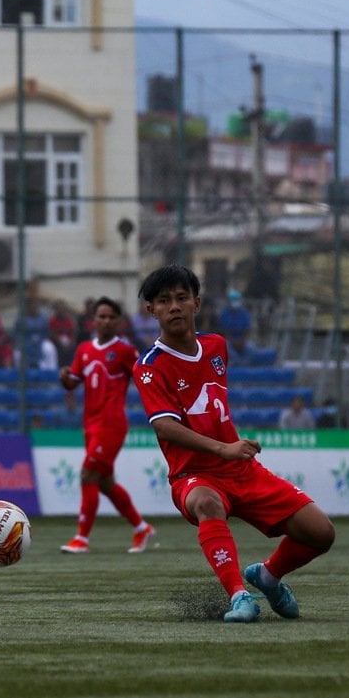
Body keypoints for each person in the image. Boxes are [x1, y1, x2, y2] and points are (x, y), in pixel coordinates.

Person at [134, 265, 335, 623]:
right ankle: (240, 597)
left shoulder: (216, 345)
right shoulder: (150, 366)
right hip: (193, 475)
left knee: (321, 533)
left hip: (242, 470)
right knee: (207, 502)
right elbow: (165, 427)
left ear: (197, 302)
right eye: (163, 301)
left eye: (182, 298)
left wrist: (231, 449)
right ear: (151, 310)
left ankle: (268, 577)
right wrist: (222, 448)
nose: (174, 307)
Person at [58, 296, 156, 555]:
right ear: (93, 320)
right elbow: (73, 383)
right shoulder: (84, 350)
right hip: (90, 424)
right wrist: (65, 378)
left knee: (87, 474)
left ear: (119, 322)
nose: (106, 320)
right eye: (101, 316)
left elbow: (144, 377)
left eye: (111, 317)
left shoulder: (124, 351)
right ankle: (141, 527)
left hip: (111, 424)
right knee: (105, 483)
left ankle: (82, 538)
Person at [217, 289, 254, 364]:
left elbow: (247, 329)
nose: (235, 302)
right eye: (233, 300)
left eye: (236, 299)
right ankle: (237, 366)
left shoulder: (244, 313)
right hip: (229, 341)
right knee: (226, 348)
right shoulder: (224, 314)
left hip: (242, 340)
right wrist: (233, 341)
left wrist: (242, 340)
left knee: (250, 347)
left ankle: (245, 367)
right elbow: (223, 331)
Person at [47, 300, 79, 368]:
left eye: (62, 308)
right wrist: (60, 343)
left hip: (68, 341)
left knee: (73, 348)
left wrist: (71, 342)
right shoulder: (53, 320)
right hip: (57, 341)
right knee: (58, 350)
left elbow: (73, 333)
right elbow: (52, 334)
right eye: (59, 309)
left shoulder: (69, 319)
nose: (61, 310)